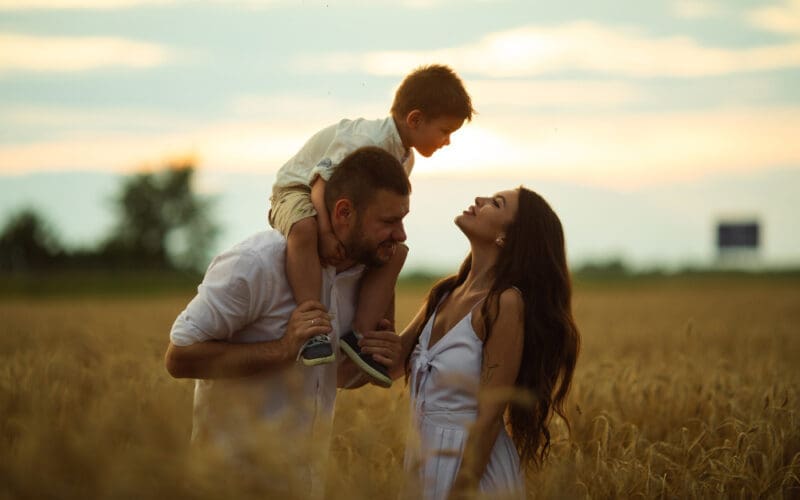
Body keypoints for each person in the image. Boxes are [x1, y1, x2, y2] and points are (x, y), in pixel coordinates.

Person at [164, 147, 409, 498]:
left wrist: (372, 359)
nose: (400, 234)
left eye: (403, 219)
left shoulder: (365, 279)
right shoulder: (254, 265)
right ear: (343, 212)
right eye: (388, 222)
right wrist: (282, 349)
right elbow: (178, 357)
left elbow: (333, 378)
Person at [268, 64, 474, 382]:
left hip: (341, 207)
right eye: (445, 131)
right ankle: (313, 327)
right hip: (299, 190)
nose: (446, 141)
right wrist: (324, 230)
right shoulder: (365, 138)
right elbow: (320, 182)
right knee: (304, 229)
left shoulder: (406, 158)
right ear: (415, 119)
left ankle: (361, 338)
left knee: (396, 251)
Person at [374, 187, 580, 499]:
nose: (480, 200)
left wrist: (462, 490)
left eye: (496, 203)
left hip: (472, 473)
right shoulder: (445, 294)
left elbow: (488, 416)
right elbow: (388, 367)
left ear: (507, 237)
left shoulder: (504, 304)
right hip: (423, 463)